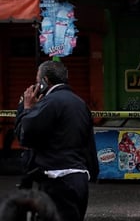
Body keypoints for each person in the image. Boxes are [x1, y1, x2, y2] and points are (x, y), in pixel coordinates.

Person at [14, 60, 99, 221]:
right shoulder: (80, 103)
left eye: (37, 81)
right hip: (79, 178)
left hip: (57, 179)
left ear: (45, 81)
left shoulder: (50, 102)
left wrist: (26, 108)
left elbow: (25, 135)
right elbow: (88, 142)